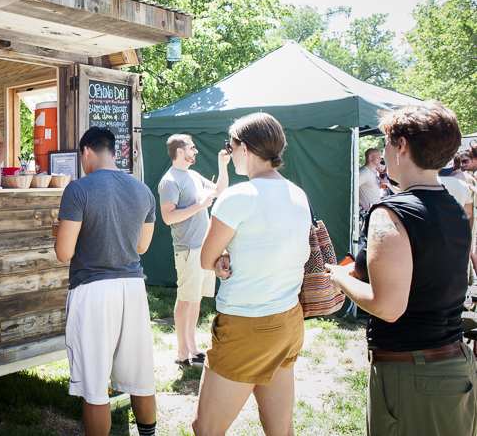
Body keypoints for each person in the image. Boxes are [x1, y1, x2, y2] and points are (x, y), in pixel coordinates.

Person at [326, 101, 476, 436]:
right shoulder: (453, 204)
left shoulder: (390, 212)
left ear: (402, 145)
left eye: (386, 143)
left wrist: (339, 278)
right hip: (453, 367)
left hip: (415, 374)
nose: (383, 151)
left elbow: (387, 307)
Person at [193, 112, 310, 436]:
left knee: (206, 429)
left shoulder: (239, 195)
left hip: (246, 324)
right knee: (280, 429)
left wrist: (221, 259)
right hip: (288, 321)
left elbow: (206, 258)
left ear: (243, 148)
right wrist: (230, 256)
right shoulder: (298, 193)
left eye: (230, 147)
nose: (229, 154)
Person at [55, 127, 158, 436]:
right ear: (114, 152)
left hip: (94, 291)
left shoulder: (78, 189)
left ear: (86, 151)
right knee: (140, 376)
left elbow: (64, 252)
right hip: (133, 287)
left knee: (95, 385)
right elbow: (141, 247)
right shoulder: (143, 190)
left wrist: (58, 232)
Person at [157, 134, 229, 366]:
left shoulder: (194, 175)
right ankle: (181, 353)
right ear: (180, 151)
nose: (195, 151)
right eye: (192, 148)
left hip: (204, 246)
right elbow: (168, 217)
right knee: (186, 298)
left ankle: (193, 348)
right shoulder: (169, 181)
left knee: (196, 298)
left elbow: (220, 190)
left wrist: (222, 164)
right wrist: (199, 206)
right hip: (188, 248)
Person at [359, 147, 384, 212]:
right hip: (369, 212)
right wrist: (364, 206)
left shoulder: (375, 172)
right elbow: (351, 189)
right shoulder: (364, 172)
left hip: (376, 211)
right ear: (370, 157)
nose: (381, 159)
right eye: (378, 156)